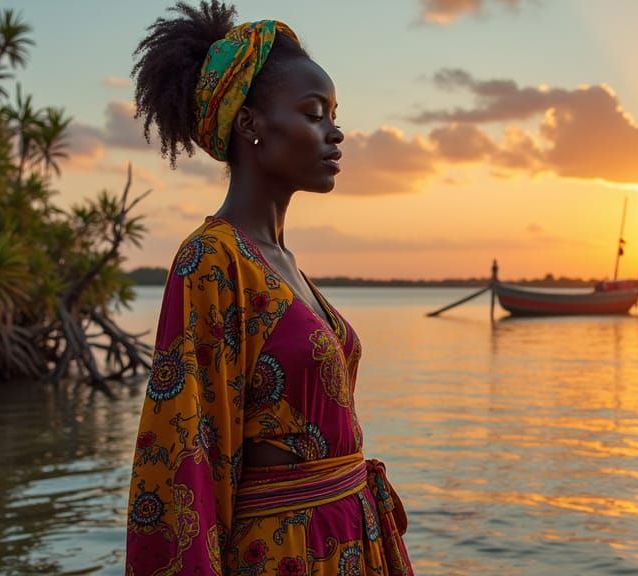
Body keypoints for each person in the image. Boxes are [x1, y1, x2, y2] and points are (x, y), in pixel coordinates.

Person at [124, 2, 412, 574]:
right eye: (314, 113)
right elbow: (183, 455)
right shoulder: (212, 260)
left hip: (345, 539)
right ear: (250, 124)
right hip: (284, 554)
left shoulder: (282, 263)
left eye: (334, 115)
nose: (335, 131)